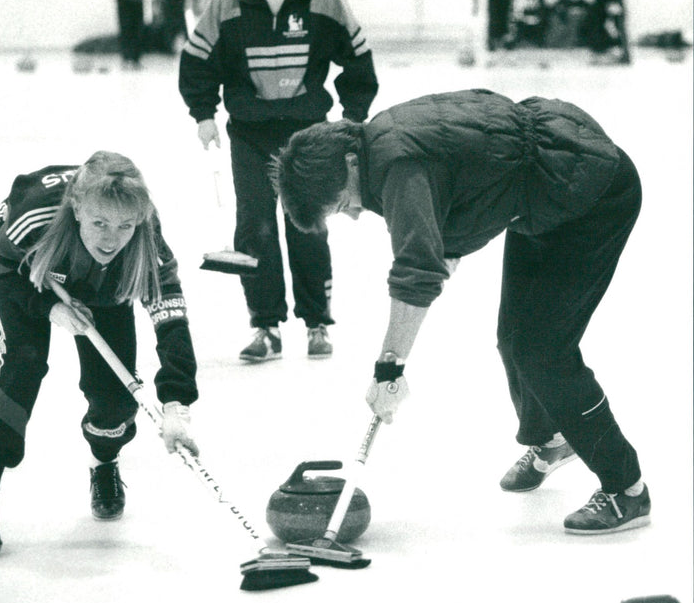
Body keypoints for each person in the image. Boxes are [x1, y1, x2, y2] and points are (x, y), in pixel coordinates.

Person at [271, 89, 650, 535]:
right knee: (513, 338)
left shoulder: (396, 167)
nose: (353, 214)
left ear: (349, 164)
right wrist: (445, 248)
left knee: (542, 350)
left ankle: (627, 489)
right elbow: (468, 172)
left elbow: (415, 271)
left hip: (592, 194)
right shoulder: (381, 140)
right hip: (546, 193)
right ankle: (553, 439)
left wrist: (389, 369)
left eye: (340, 204)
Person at [0, 151, 199, 556]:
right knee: (23, 361)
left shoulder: (142, 237)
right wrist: (49, 308)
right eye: (100, 223)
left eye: (123, 226)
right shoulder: (32, 222)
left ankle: (104, 463)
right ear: (77, 209)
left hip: (105, 280)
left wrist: (177, 404)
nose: (110, 238)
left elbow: (171, 319)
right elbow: (4, 273)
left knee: (115, 395)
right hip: (30, 267)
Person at [178, 0, 378, 363]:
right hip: (250, 134)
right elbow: (197, 61)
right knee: (256, 227)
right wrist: (203, 114)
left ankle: (317, 324)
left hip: (308, 133)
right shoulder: (227, 0)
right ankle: (265, 327)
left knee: (307, 222)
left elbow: (359, 61)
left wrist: (353, 116)